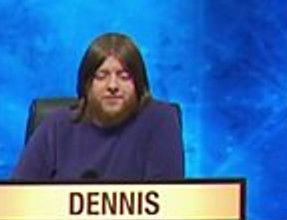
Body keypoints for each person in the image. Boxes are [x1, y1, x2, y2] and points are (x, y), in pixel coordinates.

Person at [12, 32, 184, 181]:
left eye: (124, 76)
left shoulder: (160, 120)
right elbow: (18, 197)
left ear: (139, 83)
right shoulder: (55, 126)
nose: (113, 85)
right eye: (102, 76)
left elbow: (166, 199)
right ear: (86, 84)